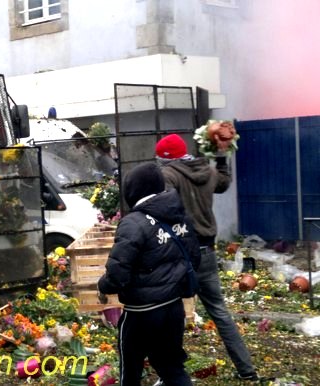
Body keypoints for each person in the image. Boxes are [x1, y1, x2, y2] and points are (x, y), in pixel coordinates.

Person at [155, 133, 259, 381]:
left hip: (181, 255)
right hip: (207, 253)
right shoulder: (205, 169)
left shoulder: (169, 175)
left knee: (170, 314)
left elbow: (164, 206)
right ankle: (247, 370)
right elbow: (222, 183)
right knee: (219, 312)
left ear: (167, 159)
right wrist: (222, 157)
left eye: (159, 159)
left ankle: (169, 373)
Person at [98, 162, 201, 386]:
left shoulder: (133, 223)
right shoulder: (179, 216)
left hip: (141, 313)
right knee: (171, 367)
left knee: (131, 370)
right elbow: (194, 257)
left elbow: (117, 274)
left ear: (133, 190)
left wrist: (103, 286)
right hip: (173, 308)